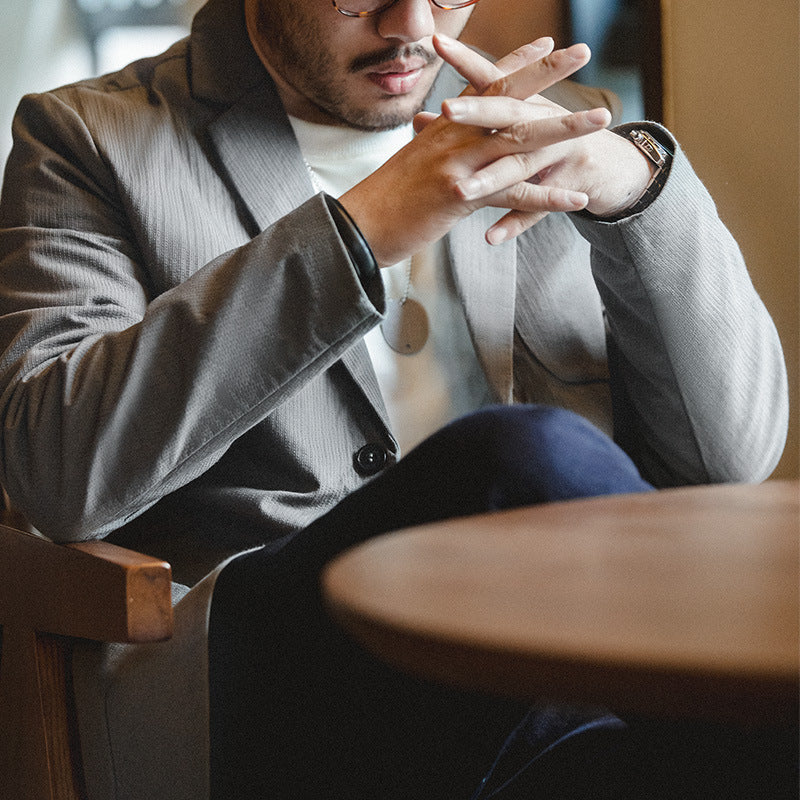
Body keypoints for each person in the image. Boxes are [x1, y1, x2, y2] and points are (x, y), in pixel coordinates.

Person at [0, 0, 789, 798]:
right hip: (271, 680)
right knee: (525, 459)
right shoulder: (88, 137)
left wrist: (638, 184)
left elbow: (729, 460)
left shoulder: (552, 126)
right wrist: (363, 231)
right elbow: (57, 473)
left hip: (546, 697)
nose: (411, 22)